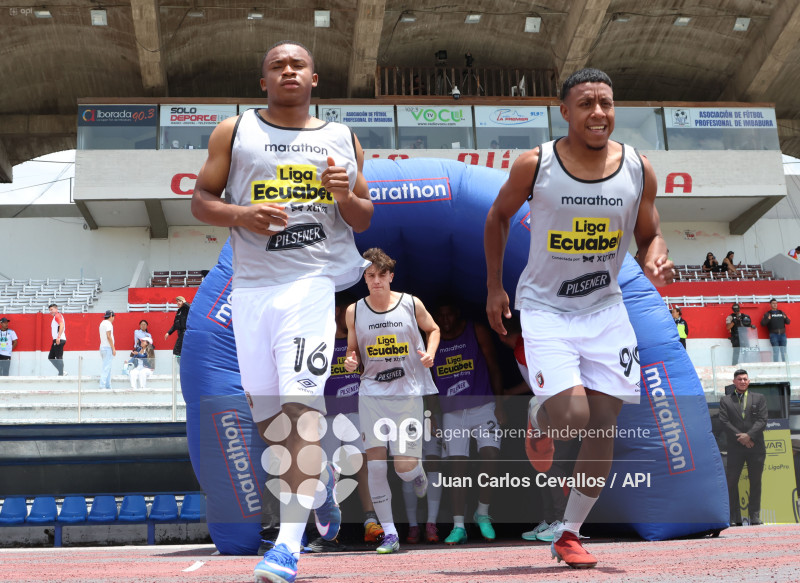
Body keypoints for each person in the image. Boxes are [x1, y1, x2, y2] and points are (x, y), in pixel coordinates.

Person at [191, 40, 373, 583]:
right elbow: (201, 199)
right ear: (263, 80)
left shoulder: (341, 138)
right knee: (270, 421)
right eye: (277, 65)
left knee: (299, 407)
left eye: (298, 65)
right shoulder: (235, 130)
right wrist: (242, 213)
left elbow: (363, 218)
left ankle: (288, 547)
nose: (288, 71)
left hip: (310, 285)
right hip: (251, 289)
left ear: (315, 78)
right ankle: (318, 489)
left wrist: (345, 197)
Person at [484, 67, 674, 568]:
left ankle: (569, 533)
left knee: (604, 425)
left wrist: (655, 252)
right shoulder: (536, 164)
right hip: (546, 309)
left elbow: (650, 233)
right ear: (564, 111)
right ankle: (539, 415)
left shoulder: (638, 168)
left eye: (606, 103)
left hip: (606, 310)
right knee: (572, 419)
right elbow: (496, 217)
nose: (598, 113)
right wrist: (494, 286)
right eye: (586, 103)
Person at [343, 248, 440, 555]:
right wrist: (349, 360)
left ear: (390, 276)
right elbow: (352, 349)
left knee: (404, 469)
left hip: (407, 394)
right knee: (375, 468)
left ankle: (418, 474)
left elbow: (433, 329)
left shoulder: (411, 303)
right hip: (371, 394)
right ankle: (389, 534)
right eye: (370, 276)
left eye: (381, 275)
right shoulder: (354, 310)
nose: (376, 281)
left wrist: (430, 353)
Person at [429, 298, 504, 545]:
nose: (445, 320)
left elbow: (494, 365)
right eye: (440, 316)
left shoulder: (475, 329)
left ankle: (482, 513)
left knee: (491, 455)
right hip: (451, 413)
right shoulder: (432, 339)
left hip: (483, 406)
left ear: (458, 313)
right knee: (457, 467)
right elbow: (427, 383)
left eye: (449, 314)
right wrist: (432, 415)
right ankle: (458, 525)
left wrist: (501, 404)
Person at [314, 292, 384, 551]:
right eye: (344, 310)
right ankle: (328, 535)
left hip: (357, 412)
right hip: (327, 416)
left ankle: (371, 522)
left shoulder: (361, 340)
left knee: (363, 465)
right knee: (327, 473)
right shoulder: (319, 341)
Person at [718, 369, 767, 525]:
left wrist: (749, 436)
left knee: (755, 482)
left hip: (756, 446)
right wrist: (743, 438)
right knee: (732, 482)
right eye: (739, 379)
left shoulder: (759, 398)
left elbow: (762, 420)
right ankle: (734, 518)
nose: (743, 381)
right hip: (735, 447)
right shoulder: (725, 400)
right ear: (734, 382)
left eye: (745, 379)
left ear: (749, 381)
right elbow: (724, 422)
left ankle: (754, 516)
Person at [48, 303, 67, 376]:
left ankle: (61, 373)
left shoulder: (57, 315)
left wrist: (58, 336)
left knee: (58, 357)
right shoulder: (55, 317)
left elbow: (61, 325)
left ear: (56, 309)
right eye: (49, 310)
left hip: (59, 339)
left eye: (52, 309)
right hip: (57, 339)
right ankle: (61, 371)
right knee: (51, 357)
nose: (50, 311)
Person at [99, 310, 116, 389]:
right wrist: (113, 348)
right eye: (113, 317)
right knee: (106, 367)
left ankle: (108, 385)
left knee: (108, 367)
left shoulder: (102, 323)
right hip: (107, 347)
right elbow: (108, 336)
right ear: (111, 316)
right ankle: (102, 385)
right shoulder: (108, 324)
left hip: (102, 347)